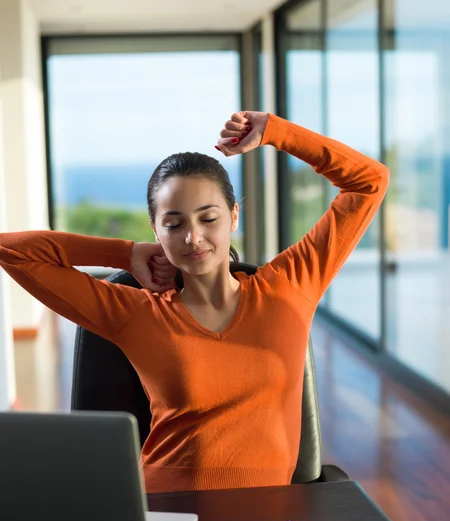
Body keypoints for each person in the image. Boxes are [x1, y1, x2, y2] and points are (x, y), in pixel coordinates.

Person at [0, 111, 389, 493]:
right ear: (155, 229)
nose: (193, 238)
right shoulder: (135, 313)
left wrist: (275, 132)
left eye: (208, 218)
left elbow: (369, 182)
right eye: (174, 224)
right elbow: (12, 251)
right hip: (167, 514)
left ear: (234, 216)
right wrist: (124, 253)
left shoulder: (290, 287)